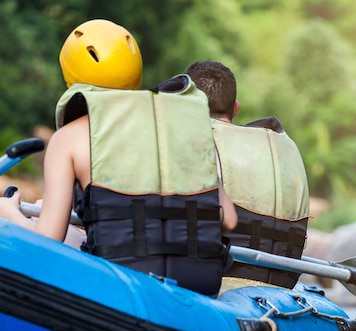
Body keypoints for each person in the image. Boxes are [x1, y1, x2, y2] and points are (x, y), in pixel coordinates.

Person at [0, 20, 237, 296]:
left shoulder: (68, 137)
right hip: (198, 283)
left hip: (118, 280)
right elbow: (228, 219)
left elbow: (47, 241)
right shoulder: (182, 129)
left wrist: (10, 214)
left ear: (70, 76)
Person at [184, 60, 309, 289]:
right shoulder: (285, 145)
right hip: (283, 283)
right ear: (235, 108)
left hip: (222, 280)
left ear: (187, 106)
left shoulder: (197, 142)